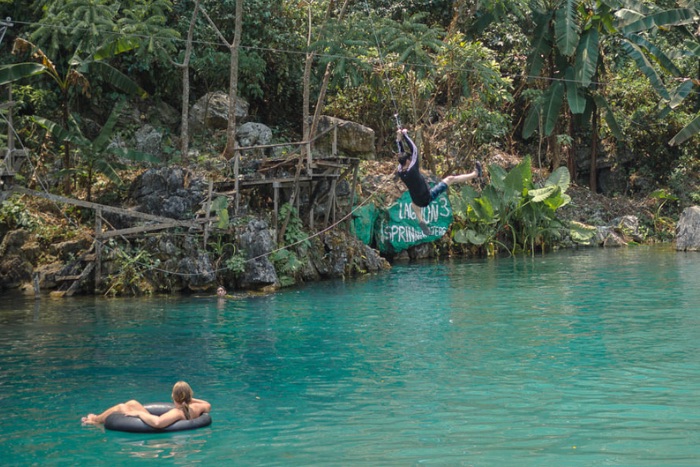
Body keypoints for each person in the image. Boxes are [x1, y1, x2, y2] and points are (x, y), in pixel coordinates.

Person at [396, 128, 482, 235]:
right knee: (451, 179)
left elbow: (401, 153)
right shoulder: (412, 169)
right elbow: (414, 150)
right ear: (408, 161)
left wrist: (398, 140)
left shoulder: (400, 171)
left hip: (416, 200)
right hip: (426, 197)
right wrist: (405, 135)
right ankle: (475, 174)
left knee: (414, 206)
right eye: (409, 159)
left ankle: (422, 222)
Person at [81, 381, 211, 429]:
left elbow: (158, 423)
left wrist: (139, 413)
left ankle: (95, 420)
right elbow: (208, 405)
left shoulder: (177, 412)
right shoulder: (196, 407)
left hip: (154, 431)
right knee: (132, 403)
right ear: (189, 396)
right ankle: (97, 419)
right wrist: (188, 398)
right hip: (184, 401)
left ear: (173, 396)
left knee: (121, 407)